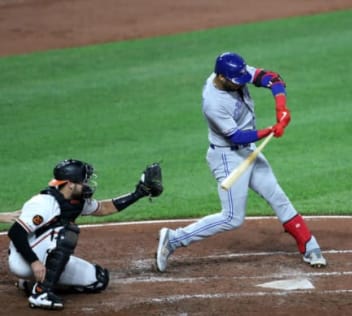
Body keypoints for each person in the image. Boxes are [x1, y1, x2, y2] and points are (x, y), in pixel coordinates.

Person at [156, 52, 327, 273]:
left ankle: (309, 245)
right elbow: (236, 136)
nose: (241, 84)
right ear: (221, 77)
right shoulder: (213, 102)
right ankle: (174, 239)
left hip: (248, 151)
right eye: (236, 82)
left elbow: (272, 78)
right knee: (231, 218)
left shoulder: (235, 72)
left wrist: (281, 106)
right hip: (228, 157)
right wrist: (269, 130)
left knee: (277, 195)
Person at [7, 159, 163, 310]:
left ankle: (30, 284)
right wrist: (34, 263)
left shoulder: (76, 200)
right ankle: (41, 293)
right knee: (68, 232)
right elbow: (16, 232)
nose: (86, 185)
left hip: (43, 255)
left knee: (98, 280)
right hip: (23, 258)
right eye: (82, 181)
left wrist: (138, 194)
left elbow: (104, 208)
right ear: (69, 184)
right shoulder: (44, 202)